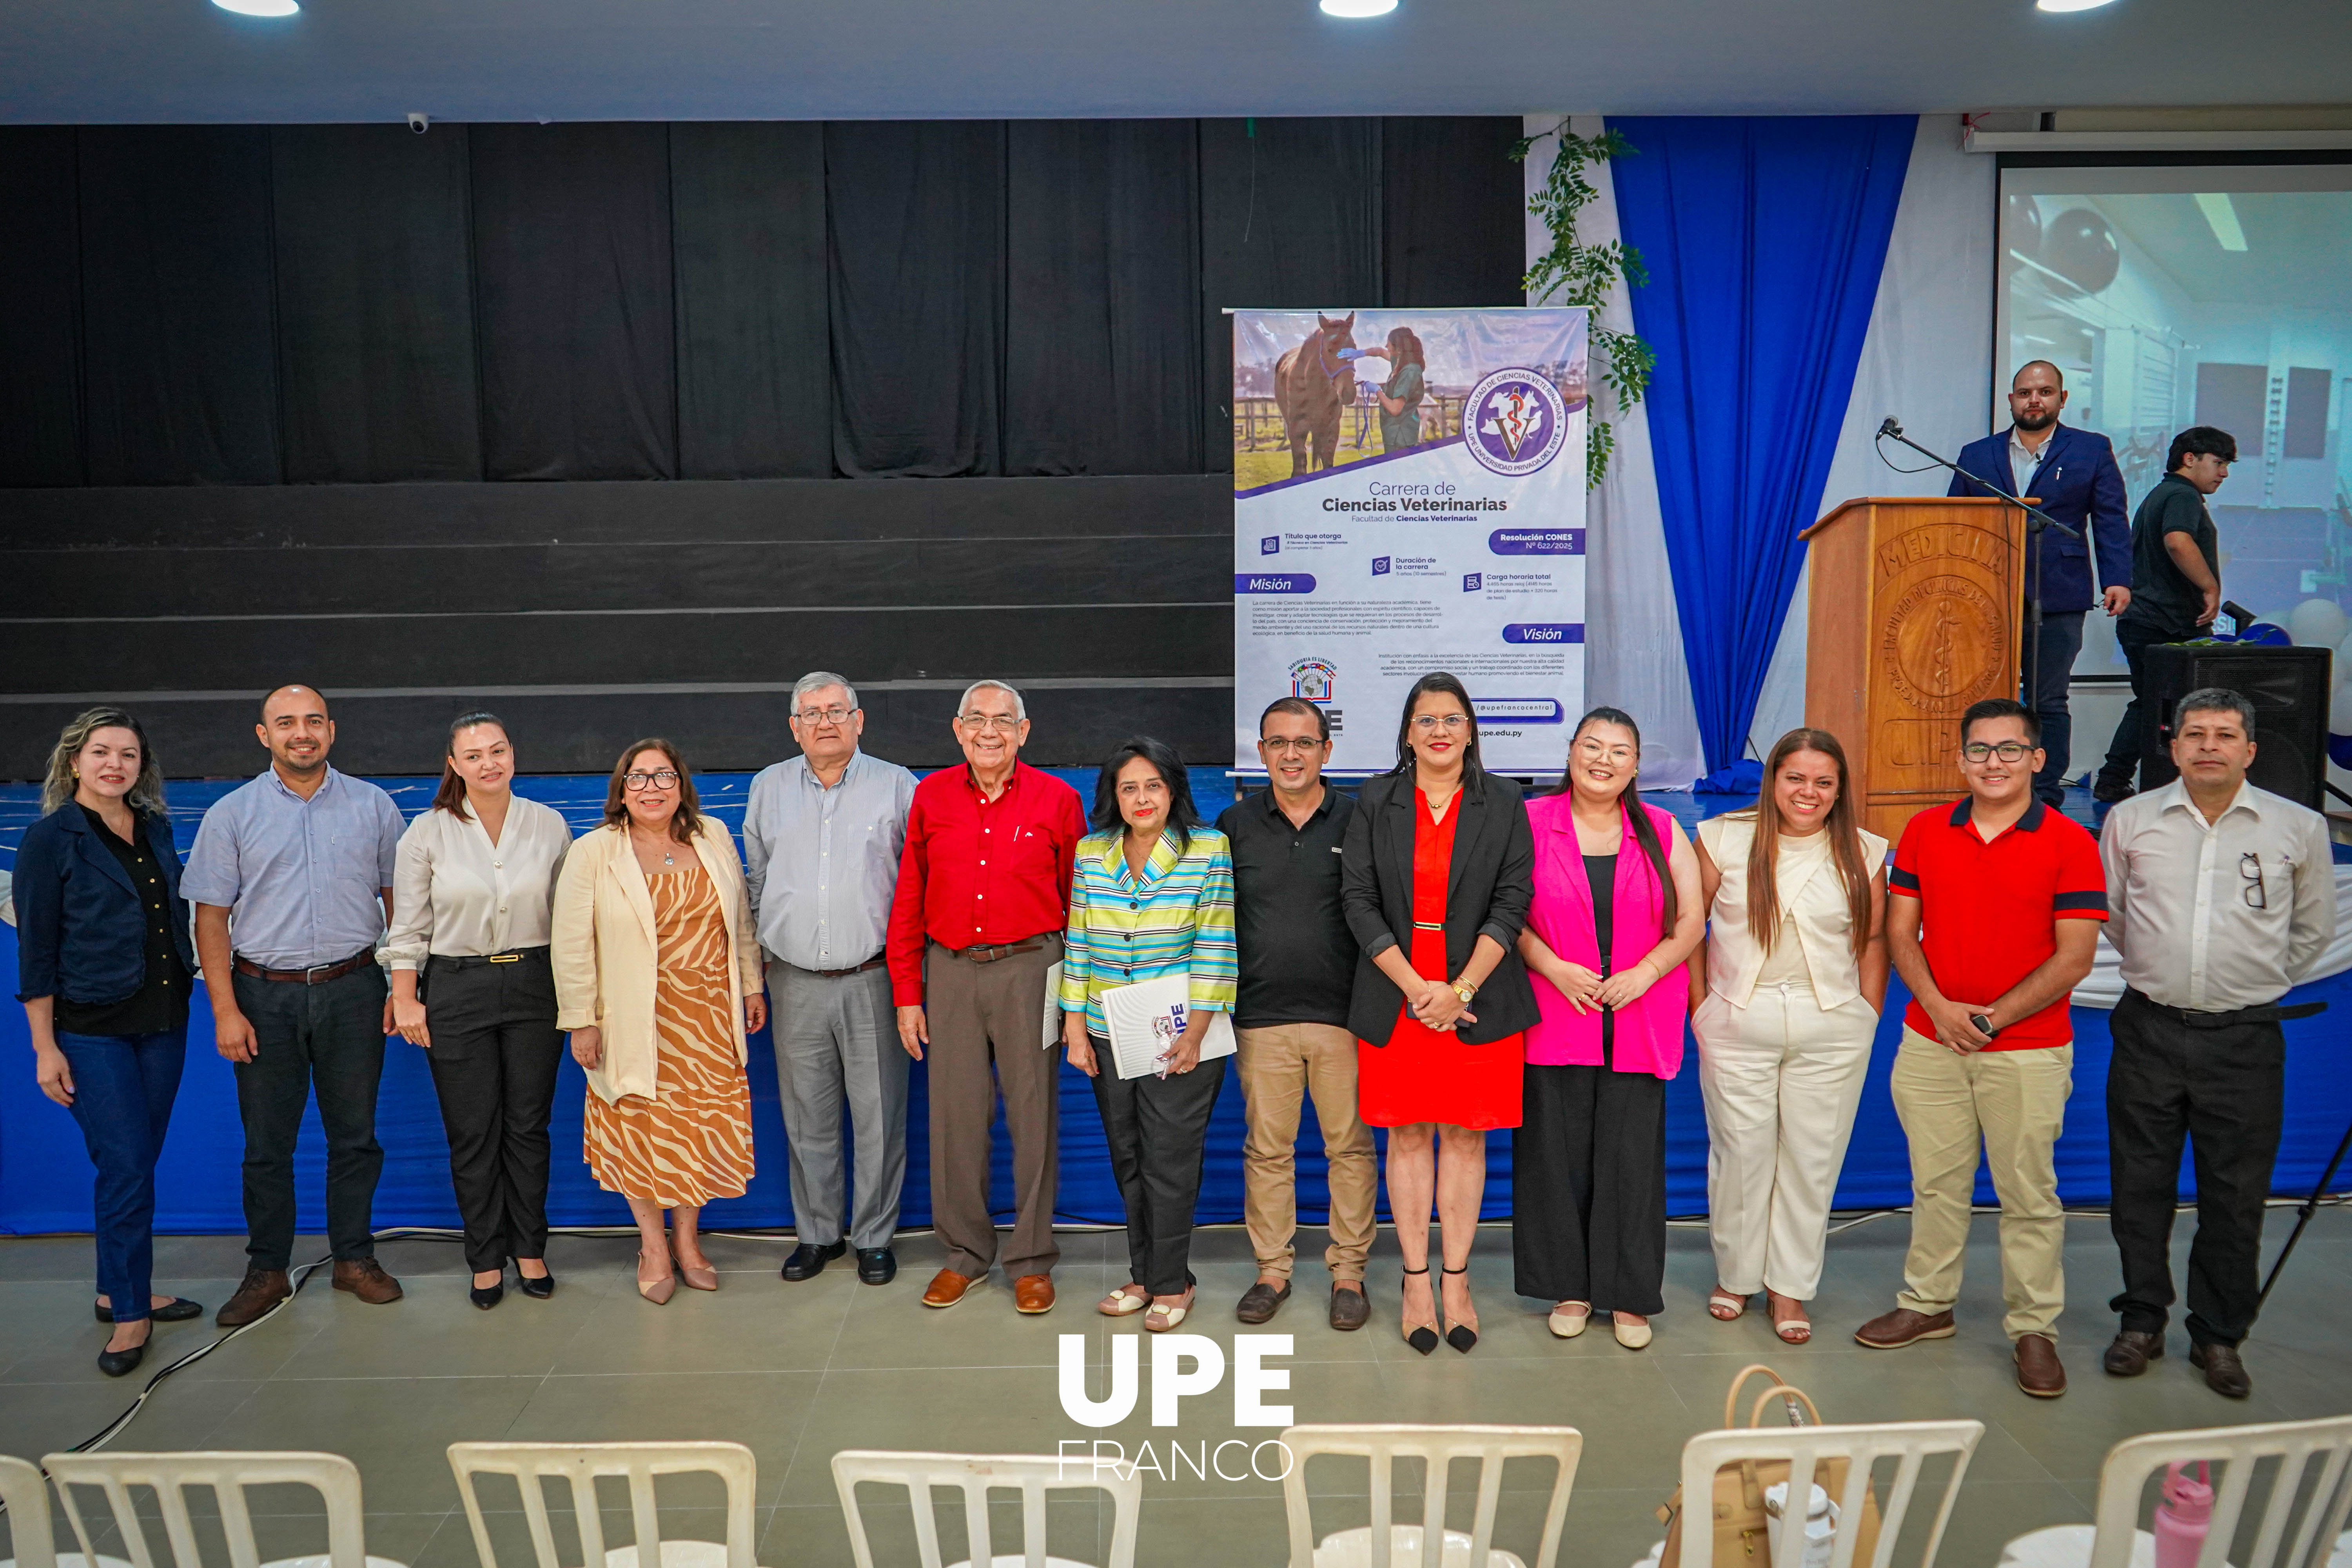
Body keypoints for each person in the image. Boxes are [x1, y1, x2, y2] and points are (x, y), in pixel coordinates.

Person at [1856, 697, 2107, 1399]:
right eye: (1979, 750)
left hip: (2026, 1051)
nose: (1992, 763)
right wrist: (1938, 1008)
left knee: (2029, 1194)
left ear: (2038, 758)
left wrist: (1990, 1022)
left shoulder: (2069, 842)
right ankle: (1927, 1305)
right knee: (1936, 1186)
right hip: (1930, 1044)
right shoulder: (1927, 831)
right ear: (1961, 758)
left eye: (2008, 749)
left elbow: (2075, 959)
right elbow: (1901, 934)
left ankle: (2034, 1329)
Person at [2097, 688, 2334, 1399]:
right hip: (2150, 1029)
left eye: (2225, 735)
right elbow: (2110, 916)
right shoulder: (2130, 819)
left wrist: (2249, 984)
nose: (2209, 746)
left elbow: (2313, 931)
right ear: (2171, 747)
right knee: (2139, 1186)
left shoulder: (2297, 828)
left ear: (2250, 749)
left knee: (2236, 1195)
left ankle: (2219, 1335)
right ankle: (2141, 1320)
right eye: (2194, 734)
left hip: (2246, 1039)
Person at [183, 685, 407, 1328]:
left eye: (312, 721)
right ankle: (267, 1270)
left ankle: (354, 1261)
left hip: (354, 989)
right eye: (286, 723)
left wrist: (399, 987)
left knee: (356, 1139)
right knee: (266, 1146)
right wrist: (226, 1010)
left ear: (331, 731)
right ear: (264, 735)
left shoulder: (373, 805)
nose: (300, 732)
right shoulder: (232, 813)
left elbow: (401, 905)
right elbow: (211, 920)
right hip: (262, 997)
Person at [1341, 673, 1539, 1355]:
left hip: (1476, 997)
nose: (1440, 732)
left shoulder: (1506, 800)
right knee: (1405, 1137)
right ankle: (1416, 1281)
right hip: (1397, 994)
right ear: (1407, 733)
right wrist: (1417, 990)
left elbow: (1513, 901)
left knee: (1464, 1137)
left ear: (1471, 730)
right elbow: (1358, 900)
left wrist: (1460, 990)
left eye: (1453, 719)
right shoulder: (1375, 799)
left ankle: (1457, 1282)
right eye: (1426, 721)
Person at [887, 680, 1086, 1315]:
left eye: (1004, 720)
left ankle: (1030, 1260)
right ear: (958, 729)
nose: (990, 731)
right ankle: (966, 1255)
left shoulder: (1058, 800)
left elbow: (1077, 905)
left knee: (1033, 1121)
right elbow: (910, 896)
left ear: (1025, 732)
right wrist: (908, 994)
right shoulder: (931, 796)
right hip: (948, 972)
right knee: (956, 1121)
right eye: (977, 720)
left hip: (1031, 970)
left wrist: (1075, 993)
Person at [16, 708, 202, 1376]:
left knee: (135, 1165)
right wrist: (45, 1046)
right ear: (75, 764)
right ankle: (129, 1315)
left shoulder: (154, 828)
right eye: (101, 753)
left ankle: (114, 1285)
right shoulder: (50, 839)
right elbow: (36, 952)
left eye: (127, 754)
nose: (114, 765)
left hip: (163, 1022)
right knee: (124, 1166)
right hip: (91, 1033)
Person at [1689, 729, 1888, 1345]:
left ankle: (1791, 1286)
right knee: (1740, 1157)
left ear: (1839, 790)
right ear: (1773, 779)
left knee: (1812, 1159)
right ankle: (1738, 1276)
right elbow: (1690, 931)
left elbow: (1874, 941)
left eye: (1823, 782)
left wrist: (1866, 1015)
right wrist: (1702, 1010)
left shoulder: (1865, 851)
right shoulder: (1722, 838)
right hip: (1736, 1019)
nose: (1809, 792)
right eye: (1796, 778)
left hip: (1831, 1025)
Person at [1514, 707, 1702, 1350]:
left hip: (1638, 1015)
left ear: (1636, 764)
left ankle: (1627, 1296)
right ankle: (1570, 1287)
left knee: (1630, 1161)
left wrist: (1646, 973)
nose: (1603, 760)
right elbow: (1504, 911)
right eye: (1591, 746)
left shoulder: (1662, 828)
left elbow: (1692, 923)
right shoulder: (1531, 821)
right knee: (1557, 1156)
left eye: (1619, 751)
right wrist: (1554, 969)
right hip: (1555, 1010)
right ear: (1570, 753)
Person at [553, 740, 767, 1305]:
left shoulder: (713, 836)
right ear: (621, 791)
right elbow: (571, 945)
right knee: (641, 1130)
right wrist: (582, 1020)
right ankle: (653, 1245)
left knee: (695, 1128)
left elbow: (740, 920)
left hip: (708, 1019)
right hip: (630, 1020)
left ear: (682, 784)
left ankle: (689, 1243)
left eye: (663, 776)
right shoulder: (595, 852)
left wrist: (751, 984)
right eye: (638, 778)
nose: (652, 788)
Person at [384, 713, 573, 1309]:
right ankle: (485, 1258)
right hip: (457, 988)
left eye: (498, 750)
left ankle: (530, 1249)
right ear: (454, 764)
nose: (488, 763)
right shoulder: (427, 833)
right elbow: (408, 928)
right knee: (473, 1133)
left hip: (535, 984)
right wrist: (406, 996)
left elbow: (570, 920)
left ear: (513, 754)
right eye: (474, 755)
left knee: (527, 1126)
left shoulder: (549, 825)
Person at [743, 672, 916, 1288]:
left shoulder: (898, 786)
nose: (824, 722)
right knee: (805, 1117)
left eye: (837, 711)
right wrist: (764, 964)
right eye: (811, 713)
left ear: (859, 720)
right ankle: (818, 1235)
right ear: (794, 726)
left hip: (874, 979)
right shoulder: (767, 789)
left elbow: (914, 888)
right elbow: (757, 881)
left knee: (878, 1115)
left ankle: (874, 1238)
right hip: (793, 981)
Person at [1060, 738, 1236, 1332]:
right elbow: (1078, 942)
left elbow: (1216, 945)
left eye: (1153, 786)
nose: (1142, 798)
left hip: (1180, 1033)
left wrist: (1195, 1033)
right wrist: (1075, 1028)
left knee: (1170, 1158)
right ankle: (1146, 1275)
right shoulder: (1092, 853)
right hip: (1110, 1032)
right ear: (1113, 795)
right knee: (1129, 1154)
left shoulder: (1207, 849)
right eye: (1129, 787)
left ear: (1173, 791)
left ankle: (1173, 1282)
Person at [1216, 697, 1376, 1332]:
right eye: (1277, 743)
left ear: (1327, 751)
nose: (1291, 754)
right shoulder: (1233, 826)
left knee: (1351, 1148)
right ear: (1260, 753)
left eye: (1304, 743)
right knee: (1267, 1151)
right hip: (1261, 1018)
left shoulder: (1361, 821)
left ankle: (1349, 1274)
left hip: (1344, 1018)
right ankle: (1272, 1271)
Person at [1947, 361, 2132, 808]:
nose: (2035, 400)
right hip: (1985, 595)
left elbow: (2110, 518)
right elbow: (1950, 520)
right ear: (2011, 400)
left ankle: (2045, 797)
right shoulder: (1977, 454)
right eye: (2026, 392)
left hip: (2060, 591)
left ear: (2062, 399)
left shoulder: (2090, 449)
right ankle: (1986, 791)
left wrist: (2119, 579)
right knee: (1987, 699)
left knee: (2048, 698)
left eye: (2045, 392)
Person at [2092, 427, 2237, 803]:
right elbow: (2178, 540)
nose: (2224, 474)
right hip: (2164, 621)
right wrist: (2210, 588)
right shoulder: (2181, 495)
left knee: (2152, 703)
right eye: (2219, 463)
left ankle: (2116, 779)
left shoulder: (2163, 494)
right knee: (2169, 706)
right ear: (2190, 459)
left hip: (2146, 619)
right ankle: (2127, 781)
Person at [1365, 327, 1426, 453]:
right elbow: (1380, 352)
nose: (1386, 347)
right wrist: (1359, 353)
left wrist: (1378, 390)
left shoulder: (1409, 372)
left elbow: (1395, 409)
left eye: (1389, 345)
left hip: (1400, 438)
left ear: (1398, 350)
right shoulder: (1403, 363)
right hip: (1395, 436)